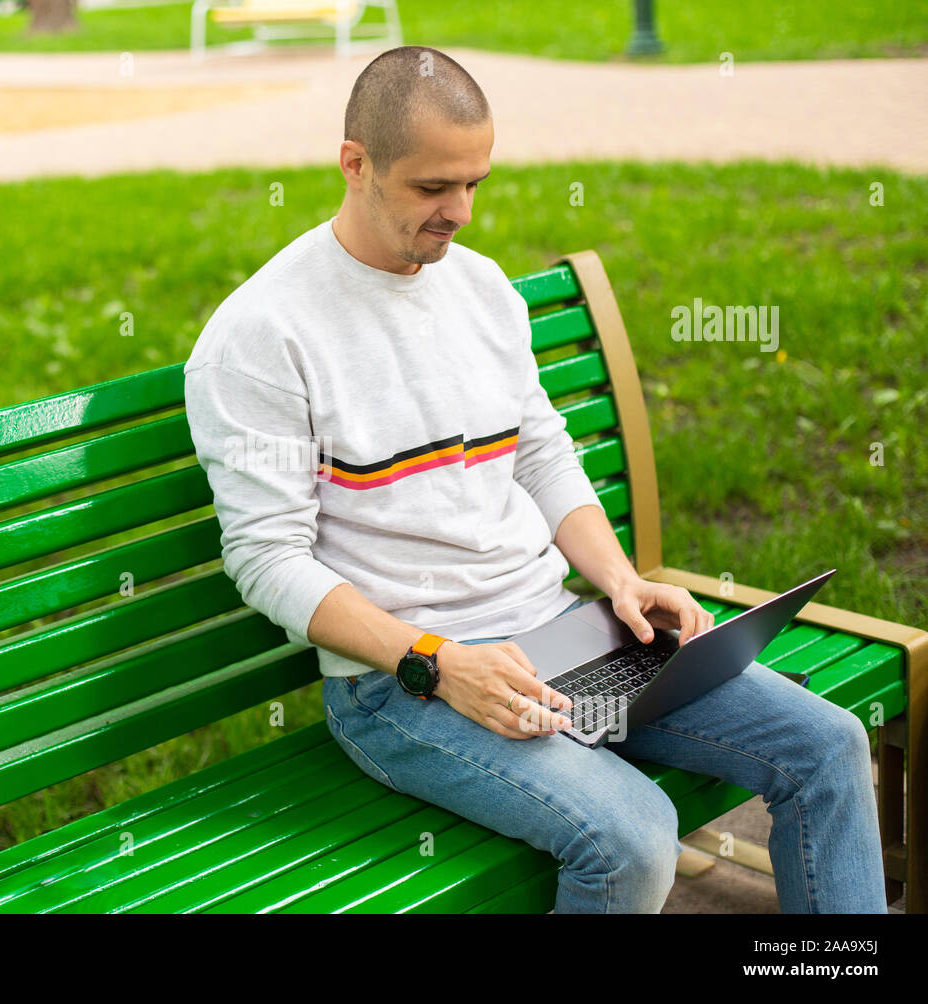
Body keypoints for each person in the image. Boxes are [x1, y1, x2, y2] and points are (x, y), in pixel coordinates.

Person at [182, 45, 887, 913]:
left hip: (562, 635)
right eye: (433, 188)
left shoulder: (481, 293)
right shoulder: (263, 334)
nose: (461, 212)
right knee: (632, 839)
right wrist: (438, 662)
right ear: (355, 164)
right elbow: (266, 560)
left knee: (827, 745)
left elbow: (543, 453)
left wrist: (624, 582)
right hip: (401, 684)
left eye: (476, 182)